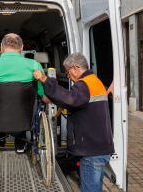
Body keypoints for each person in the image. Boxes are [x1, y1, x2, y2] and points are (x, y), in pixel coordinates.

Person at [33, 52, 114, 192]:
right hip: (99, 147)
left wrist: (45, 79)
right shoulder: (94, 81)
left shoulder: (84, 84)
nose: (68, 75)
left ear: (75, 68)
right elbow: (74, 99)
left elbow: (69, 99)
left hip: (91, 151)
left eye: (67, 71)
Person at [0, 33, 51, 153]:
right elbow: (45, 97)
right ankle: (20, 143)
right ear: (21, 48)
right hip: (25, 120)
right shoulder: (34, 66)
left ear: (1, 47)